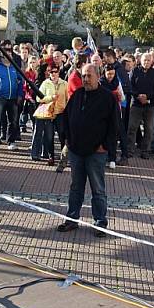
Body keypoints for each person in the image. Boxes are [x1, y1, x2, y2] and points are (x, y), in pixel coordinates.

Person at [56, 64, 117, 237]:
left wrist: (104, 146)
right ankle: (72, 219)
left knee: (98, 189)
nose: (86, 79)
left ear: (98, 76)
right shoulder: (77, 95)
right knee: (76, 187)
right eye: (83, 75)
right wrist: (67, 139)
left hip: (96, 152)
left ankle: (100, 222)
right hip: (76, 150)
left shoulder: (107, 98)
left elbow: (114, 126)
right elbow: (66, 118)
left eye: (89, 76)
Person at [0, 47, 23, 150]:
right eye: (6, 54)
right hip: (0, 98)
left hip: (13, 98)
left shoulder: (14, 67)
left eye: (10, 54)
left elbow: (20, 81)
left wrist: (20, 94)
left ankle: (11, 141)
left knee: (13, 120)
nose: (9, 56)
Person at [127, 52, 154, 159]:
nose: (146, 62)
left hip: (150, 105)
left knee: (149, 129)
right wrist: (138, 96)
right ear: (140, 61)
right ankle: (129, 150)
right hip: (136, 104)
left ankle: (145, 151)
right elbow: (130, 87)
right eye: (144, 60)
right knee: (132, 127)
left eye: (148, 60)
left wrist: (147, 97)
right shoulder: (135, 71)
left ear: (152, 62)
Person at [32, 65, 68, 164]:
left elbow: (68, 98)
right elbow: (39, 98)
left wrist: (67, 110)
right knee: (49, 136)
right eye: (51, 72)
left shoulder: (64, 83)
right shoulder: (45, 83)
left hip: (60, 112)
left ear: (59, 72)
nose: (53, 74)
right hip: (49, 113)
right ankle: (51, 156)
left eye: (55, 71)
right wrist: (50, 98)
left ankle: (63, 157)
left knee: (62, 135)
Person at [99, 65, 125, 168]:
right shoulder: (100, 83)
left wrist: (118, 94)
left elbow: (122, 98)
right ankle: (103, 157)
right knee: (102, 135)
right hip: (103, 113)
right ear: (104, 73)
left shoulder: (117, 83)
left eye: (113, 74)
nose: (110, 76)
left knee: (113, 135)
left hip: (115, 112)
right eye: (109, 74)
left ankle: (112, 158)